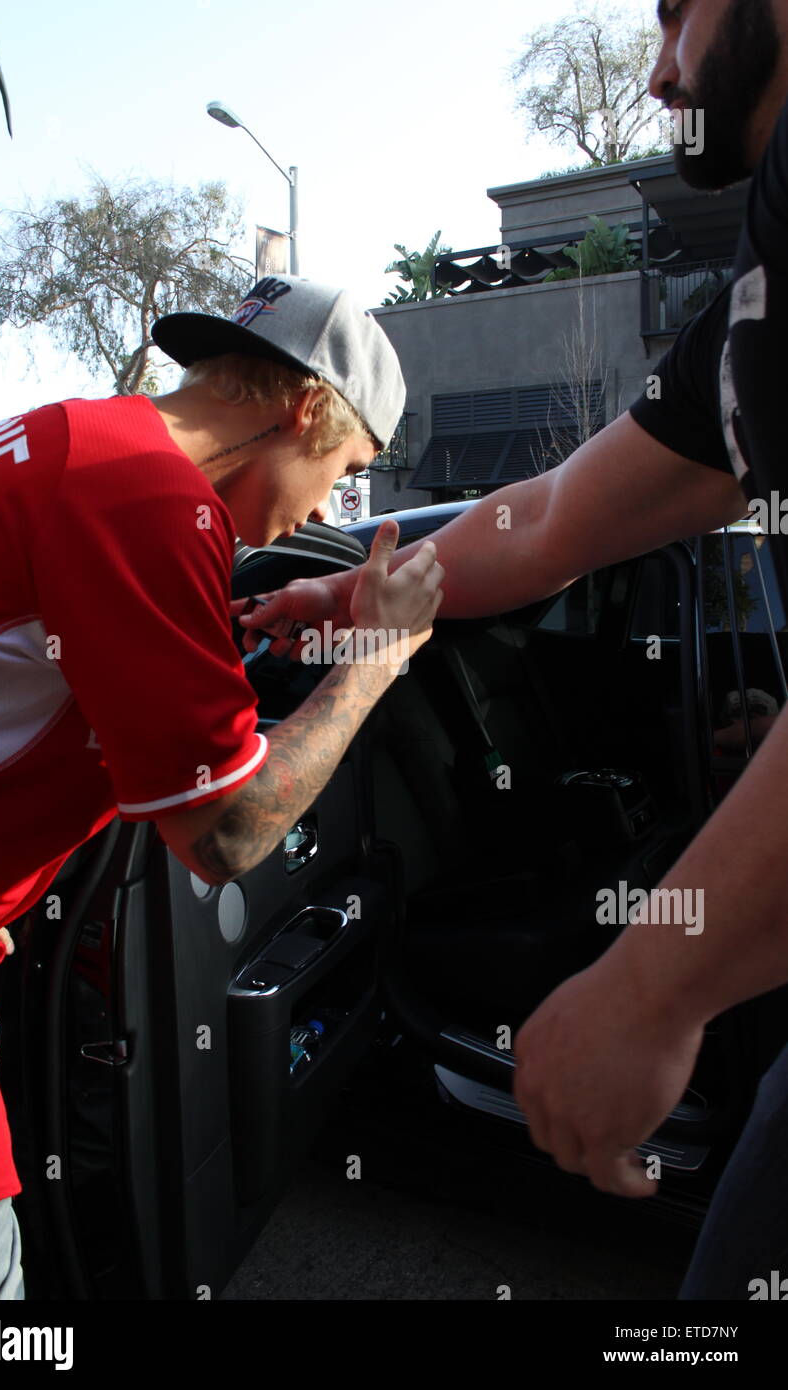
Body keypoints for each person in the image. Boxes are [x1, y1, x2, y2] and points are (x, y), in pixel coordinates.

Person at [240, 0, 788, 1299]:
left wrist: (646, 988)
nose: (657, 69)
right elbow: (548, 519)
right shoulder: (760, 284)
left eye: (676, 15)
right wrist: (349, 599)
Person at [0, 274, 444, 1298]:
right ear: (305, 406)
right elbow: (227, 832)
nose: (328, 507)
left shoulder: (79, 435)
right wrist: (376, 657)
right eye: (346, 469)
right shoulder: (148, 498)